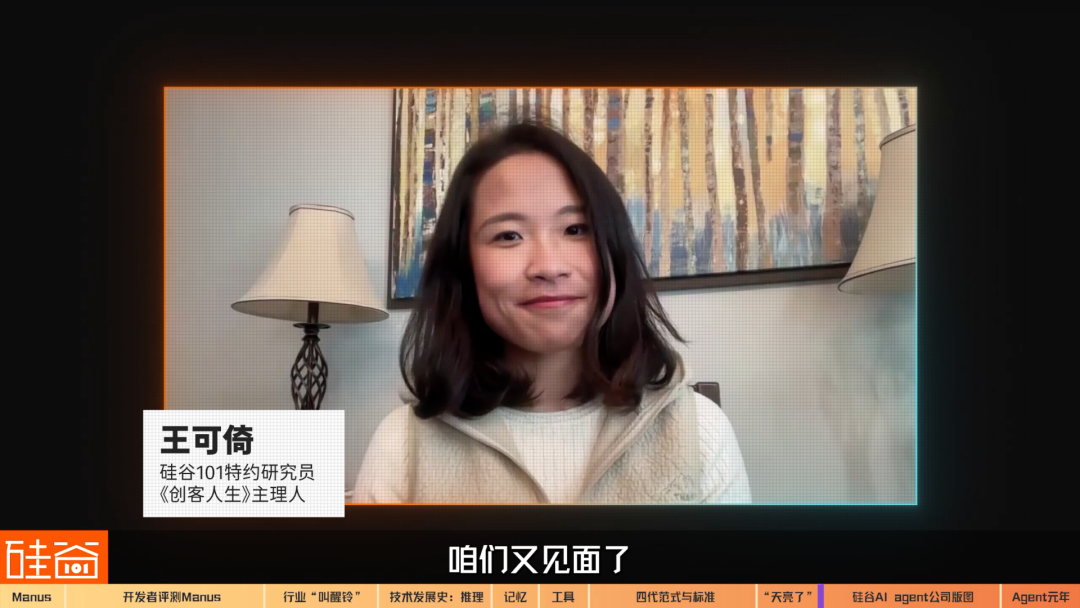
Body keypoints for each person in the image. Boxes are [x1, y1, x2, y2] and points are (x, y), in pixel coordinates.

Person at [353, 122, 751, 504]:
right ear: (464, 267)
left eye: (575, 229)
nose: (548, 266)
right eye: (508, 235)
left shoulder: (699, 432)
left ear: (613, 249)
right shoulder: (401, 446)